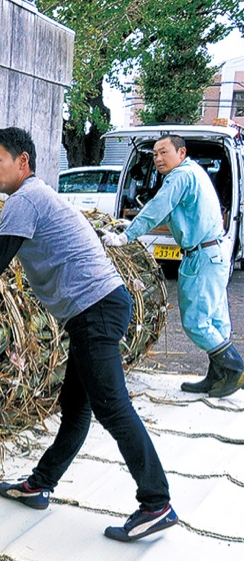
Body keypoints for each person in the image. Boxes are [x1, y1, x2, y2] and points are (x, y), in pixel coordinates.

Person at [0, 127, 176, 543]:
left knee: (112, 407)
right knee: (76, 405)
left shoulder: (25, 198)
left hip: (95, 309)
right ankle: (40, 483)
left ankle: (156, 503)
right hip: (97, 308)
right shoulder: (35, 197)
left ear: (22, 162)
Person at [100, 134, 243, 398]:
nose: (158, 159)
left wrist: (125, 237)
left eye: (164, 152)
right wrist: (131, 225)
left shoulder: (179, 177)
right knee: (215, 319)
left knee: (196, 322)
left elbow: (158, 207)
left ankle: (235, 368)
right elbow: (167, 212)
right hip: (214, 252)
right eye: (154, 154)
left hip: (202, 256)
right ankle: (217, 375)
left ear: (181, 152)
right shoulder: (193, 173)